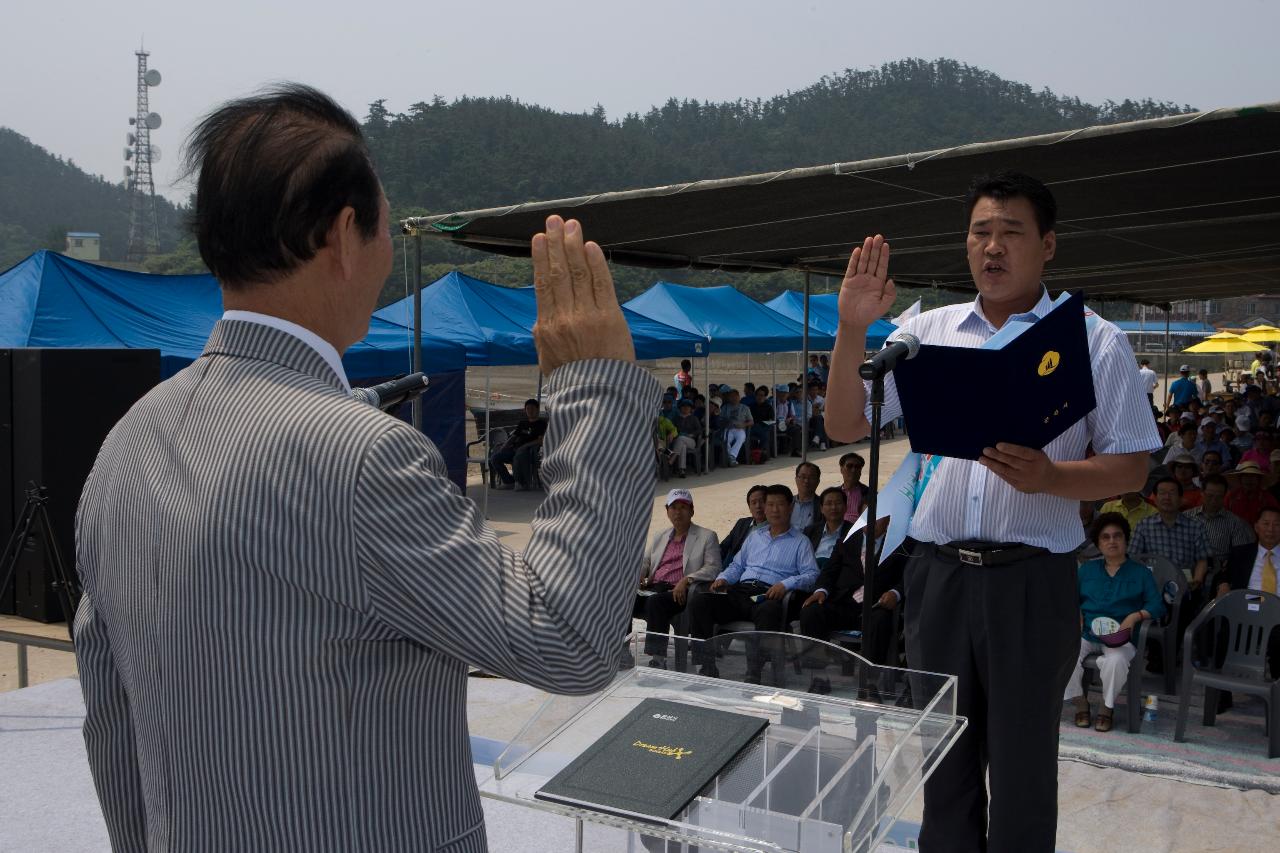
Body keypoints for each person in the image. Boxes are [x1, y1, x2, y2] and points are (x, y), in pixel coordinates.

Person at [72, 85, 657, 852]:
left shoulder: (125, 445)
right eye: (382, 222)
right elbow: (568, 638)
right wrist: (593, 391)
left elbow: (113, 727)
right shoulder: (360, 457)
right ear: (344, 234)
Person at [823, 171, 1157, 851]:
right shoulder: (925, 332)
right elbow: (842, 424)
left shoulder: (1095, 341)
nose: (993, 248)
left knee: (1023, 767)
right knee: (942, 760)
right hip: (938, 576)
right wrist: (851, 328)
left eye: (1011, 233)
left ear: (1049, 244)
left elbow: (1133, 465)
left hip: (1032, 581)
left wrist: (1051, 475)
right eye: (981, 233)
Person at [689, 485, 819, 681]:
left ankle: (754, 671)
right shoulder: (755, 537)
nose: (775, 510)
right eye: (771, 504)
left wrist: (786, 584)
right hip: (741, 591)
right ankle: (707, 665)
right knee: (700, 601)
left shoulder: (801, 542)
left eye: (780, 505)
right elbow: (737, 565)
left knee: (769, 612)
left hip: (769, 594)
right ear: (765, 508)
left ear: (791, 507)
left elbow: (811, 575)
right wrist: (723, 578)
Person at [1063, 514, 1164, 733]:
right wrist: (1077, 613)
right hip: (1088, 633)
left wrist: (1135, 616)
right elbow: (1070, 598)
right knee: (1064, 654)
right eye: (1105, 537)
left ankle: (1106, 708)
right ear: (1098, 544)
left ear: (1125, 540)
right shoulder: (1088, 570)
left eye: (1117, 536)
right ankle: (1081, 702)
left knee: (1116, 661)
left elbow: (1157, 605)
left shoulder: (1140, 573)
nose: (1112, 541)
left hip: (1121, 636)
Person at [798, 492, 901, 665]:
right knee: (811, 612)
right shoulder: (846, 541)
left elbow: (908, 577)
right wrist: (821, 590)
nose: (870, 521)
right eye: (865, 516)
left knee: (880, 622)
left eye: (877, 516)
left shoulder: (899, 544)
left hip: (877, 606)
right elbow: (829, 572)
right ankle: (816, 674)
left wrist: (895, 592)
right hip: (844, 603)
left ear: (888, 519)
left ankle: (871, 680)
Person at [635, 489, 722, 667]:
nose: (678, 512)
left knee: (656, 603)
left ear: (692, 511)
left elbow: (714, 568)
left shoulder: (707, 536)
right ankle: (620, 650)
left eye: (683, 507)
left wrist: (687, 579)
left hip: (680, 592)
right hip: (654, 588)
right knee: (622, 598)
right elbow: (646, 561)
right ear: (667, 510)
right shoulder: (661, 535)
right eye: (673, 507)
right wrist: (639, 575)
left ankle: (658, 659)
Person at [1186, 474, 1256, 564]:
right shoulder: (1186, 517)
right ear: (1202, 493)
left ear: (1225, 495)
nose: (1214, 500)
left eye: (1218, 496)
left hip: (1218, 571)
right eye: (1210, 496)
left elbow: (1240, 557)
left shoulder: (1235, 523)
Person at [490, 398, 546, 490]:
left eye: (532, 408)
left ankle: (520, 483)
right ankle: (509, 482)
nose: (530, 411)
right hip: (515, 448)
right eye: (528, 409)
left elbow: (541, 440)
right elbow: (514, 436)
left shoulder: (541, 424)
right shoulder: (523, 423)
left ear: (537, 409)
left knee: (518, 456)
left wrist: (525, 446)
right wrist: (505, 446)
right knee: (495, 458)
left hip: (529, 451)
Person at [804, 487, 853, 567]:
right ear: (821, 509)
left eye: (838, 503)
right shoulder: (810, 531)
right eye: (829, 503)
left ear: (845, 507)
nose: (833, 507)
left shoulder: (853, 532)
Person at [720, 484, 769, 564]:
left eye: (762, 501)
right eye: (753, 503)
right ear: (749, 507)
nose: (758, 506)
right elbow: (724, 546)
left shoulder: (775, 529)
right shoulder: (742, 523)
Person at [1223, 460, 1279, 525]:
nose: (1249, 479)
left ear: (1259, 479)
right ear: (1240, 479)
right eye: (1246, 476)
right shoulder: (1231, 497)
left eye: (1253, 476)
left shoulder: (1267, 499)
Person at [720, 388, 753, 465]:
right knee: (725, 439)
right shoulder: (725, 407)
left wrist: (743, 425)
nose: (733, 398)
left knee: (740, 438)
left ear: (739, 397)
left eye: (735, 396)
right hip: (729, 429)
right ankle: (732, 458)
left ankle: (731, 456)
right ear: (728, 398)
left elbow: (751, 421)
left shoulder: (745, 408)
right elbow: (720, 419)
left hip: (740, 429)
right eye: (731, 396)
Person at [669, 398, 701, 477]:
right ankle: (682, 470)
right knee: (682, 445)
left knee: (681, 438)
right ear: (680, 408)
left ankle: (672, 458)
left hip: (690, 441)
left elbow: (699, 430)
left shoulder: (694, 418)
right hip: (678, 442)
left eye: (688, 406)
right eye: (683, 406)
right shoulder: (676, 418)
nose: (686, 408)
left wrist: (692, 434)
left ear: (690, 408)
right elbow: (671, 428)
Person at [838, 452, 870, 521]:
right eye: (849, 466)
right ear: (841, 469)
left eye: (857, 467)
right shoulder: (834, 494)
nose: (853, 470)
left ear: (860, 471)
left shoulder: (870, 494)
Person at [791, 461, 821, 530]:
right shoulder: (787, 503)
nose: (806, 481)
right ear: (796, 479)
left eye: (811, 477)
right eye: (803, 477)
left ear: (818, 481)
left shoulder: (822, 505)